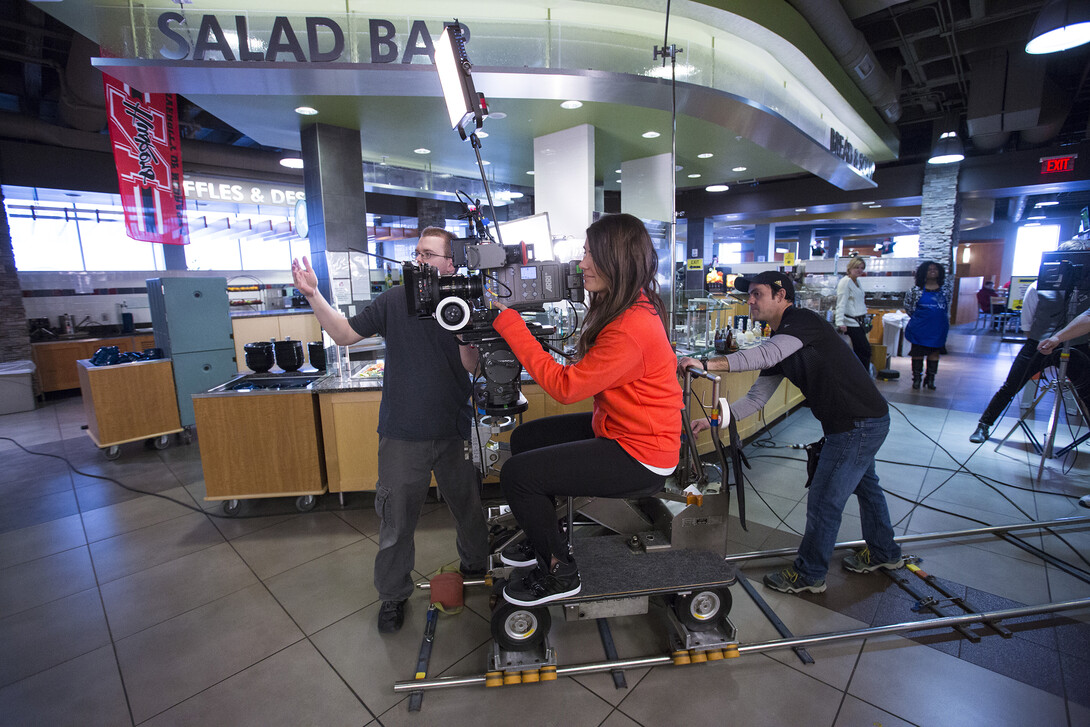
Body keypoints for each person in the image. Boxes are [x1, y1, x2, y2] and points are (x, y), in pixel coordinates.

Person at [291, 227, 488, 633]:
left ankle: (476, 569)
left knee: (469, 510)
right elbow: (345, 334)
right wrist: (313, 294)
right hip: (402, 433)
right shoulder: (394, 300)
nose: (419, 260)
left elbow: (473, 367)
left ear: (451, 262)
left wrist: (466, 326)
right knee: (396, 522)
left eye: (430, 254)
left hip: (455, 428)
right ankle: (393, 596)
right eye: (416, 252)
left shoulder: (466, 299)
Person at [491, 213, 683, 607]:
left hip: (642, 455)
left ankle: (560, 571)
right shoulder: (627, 304)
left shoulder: (631, 327)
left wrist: (512, 327)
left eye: (590, 255)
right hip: (620, 429)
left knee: (518, 475)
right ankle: (546, 531)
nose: (582, 264)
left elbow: (566, 387)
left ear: (617, 261)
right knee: (526, 438)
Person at [682, 271, 901, 595]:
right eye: (750, 295)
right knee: (867, 489)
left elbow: (764, 355)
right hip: (858, 423)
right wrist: (716, 422)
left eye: (757, 294)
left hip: (857, 425)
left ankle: (810, 573)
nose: (751, 301)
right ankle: (885, 552)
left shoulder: (802, 322)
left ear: (781, 295)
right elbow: (757, 398)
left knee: (825, 500)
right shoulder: (782, 340)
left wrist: (708, 365)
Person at [904, 261, 953, 390]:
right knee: (918, 352)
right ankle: (917, 379)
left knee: (934, 353)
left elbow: (947, 306)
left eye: (935, 269)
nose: (932, 271)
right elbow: (909, 308)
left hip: (938, 328)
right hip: (919, 328)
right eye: (929, 269)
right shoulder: (915, 291)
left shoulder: (946, 289)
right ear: (923, 272)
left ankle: (930, 379)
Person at [835, 256, 871, 370]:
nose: (859, 270)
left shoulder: (857, 281)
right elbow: (841, 302)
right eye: (857, 267)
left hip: (859, 321)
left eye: (862, 268)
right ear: (850, 268)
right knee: (864, 350)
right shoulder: (845, 282)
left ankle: (862, 375)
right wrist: (840, 322)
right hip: (851, 322)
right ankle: (862, 376)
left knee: (862, 350)